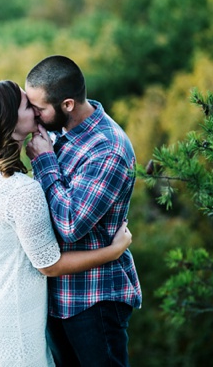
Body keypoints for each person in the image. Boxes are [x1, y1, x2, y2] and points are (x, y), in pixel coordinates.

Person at [0, 79, 133, 366]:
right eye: (29, 106)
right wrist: (114, 251)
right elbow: (49, 263)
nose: (38, 112)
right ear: (9, 121)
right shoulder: (21, 191)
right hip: (12, 319)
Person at [24, 55, 142, 367]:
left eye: (38, 109)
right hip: (57, 297)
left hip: (95, 300)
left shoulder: (107, 150)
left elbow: (70, 224)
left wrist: (44, 161)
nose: (33, 116)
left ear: (67, 105)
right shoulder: (58, 130)